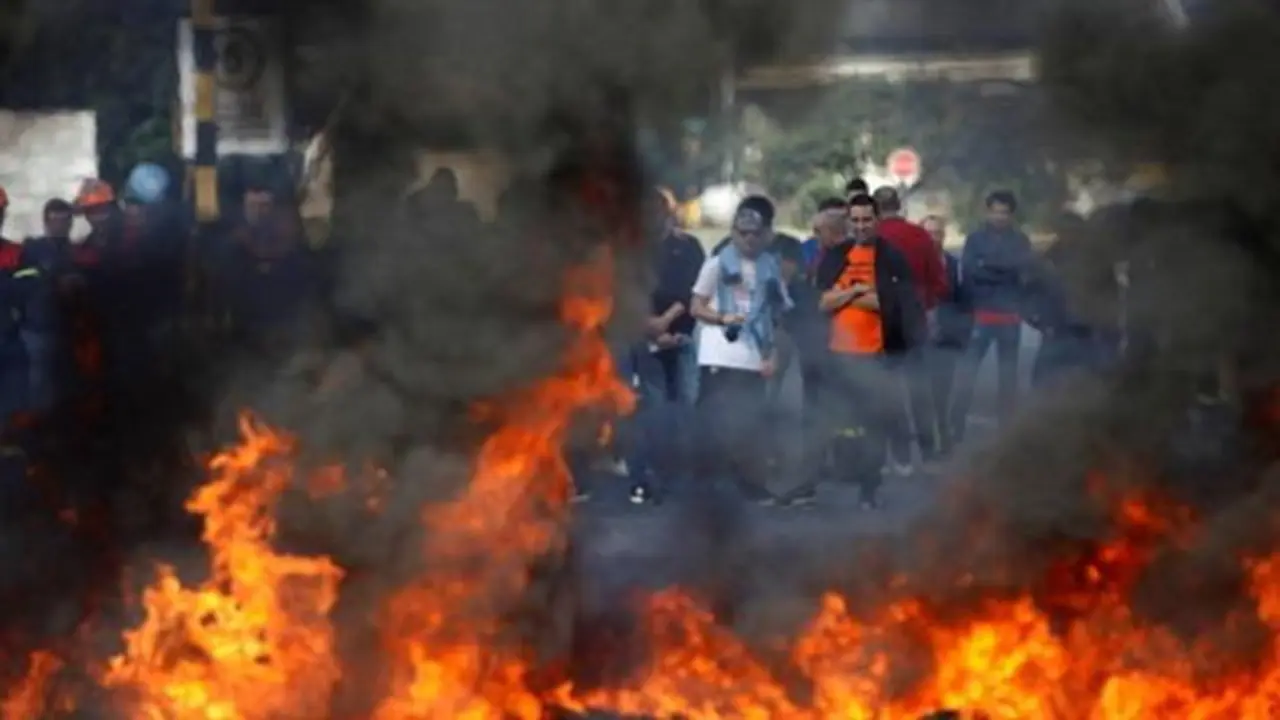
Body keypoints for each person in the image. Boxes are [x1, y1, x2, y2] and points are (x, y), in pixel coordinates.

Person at [815, 193, 922, 510]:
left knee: (874, 423)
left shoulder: (891, 257)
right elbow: (822, 302)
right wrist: (862, 290)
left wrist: (846, 294)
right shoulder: (837, 256)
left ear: (877, 220)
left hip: (877, 355)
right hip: (839, 354)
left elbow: (896, 304)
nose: (861, 226)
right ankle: (843, 473)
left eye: (867, 220)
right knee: (843, 423)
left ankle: (869, 488)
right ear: (848, 221)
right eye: (856, 220)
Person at [690, 200, 793, 505]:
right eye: (742, 233)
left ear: (765, 235)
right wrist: (723, 318)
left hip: (754, 357)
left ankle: (751, 486)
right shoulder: (717, 264)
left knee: (751, 427)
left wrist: (773, 354)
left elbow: (777, 314)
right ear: (733, 233)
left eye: (755, 233)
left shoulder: (770, 268)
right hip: (719, 355)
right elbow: (696, 306)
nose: (749, 239)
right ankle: (706, 491)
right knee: (713, 425)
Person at [628, 189, 705, 504]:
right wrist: (650, 327)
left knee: (685, 408)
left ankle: (681, 479)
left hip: (682, 337)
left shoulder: (688, 247)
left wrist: (667, 322)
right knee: (654, 409)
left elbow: (695, 289)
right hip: (645, 339)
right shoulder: (632, 250)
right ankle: (649, 478)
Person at [872, 186, 947, 470]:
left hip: (881, 323)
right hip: (914, 319)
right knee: (918, 389)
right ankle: (928, 451)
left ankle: (901, 454)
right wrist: (927, 306)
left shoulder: (871, 238)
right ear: (899, 206)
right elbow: (938, 280)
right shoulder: (919, 236)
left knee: (888, 391)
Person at [949, 190, 1033, 440]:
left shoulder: (1020, 241)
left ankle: (1005, 428)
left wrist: (988, 266)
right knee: (967, 373)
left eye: (1004, 213)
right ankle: (956, 425)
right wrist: (1003, 269)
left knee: (1008, 376)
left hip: (1010, 318)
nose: (999, 217)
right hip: (981, 316)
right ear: (987, 212)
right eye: (995, 212)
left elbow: (1024, 272)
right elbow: (970, 272)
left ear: (1011, 215)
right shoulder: (975, 240)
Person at [923, 214, 971, 456]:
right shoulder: (913, 263)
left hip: (947, 337)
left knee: (942, 393)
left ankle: (943, 437)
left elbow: (963, 300)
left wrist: (962, 334)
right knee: (921, 393)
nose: (934, 238)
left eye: (938, 233)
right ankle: (927, 442)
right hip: (921, 339)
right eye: (929, 233)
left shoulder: (953, 264)